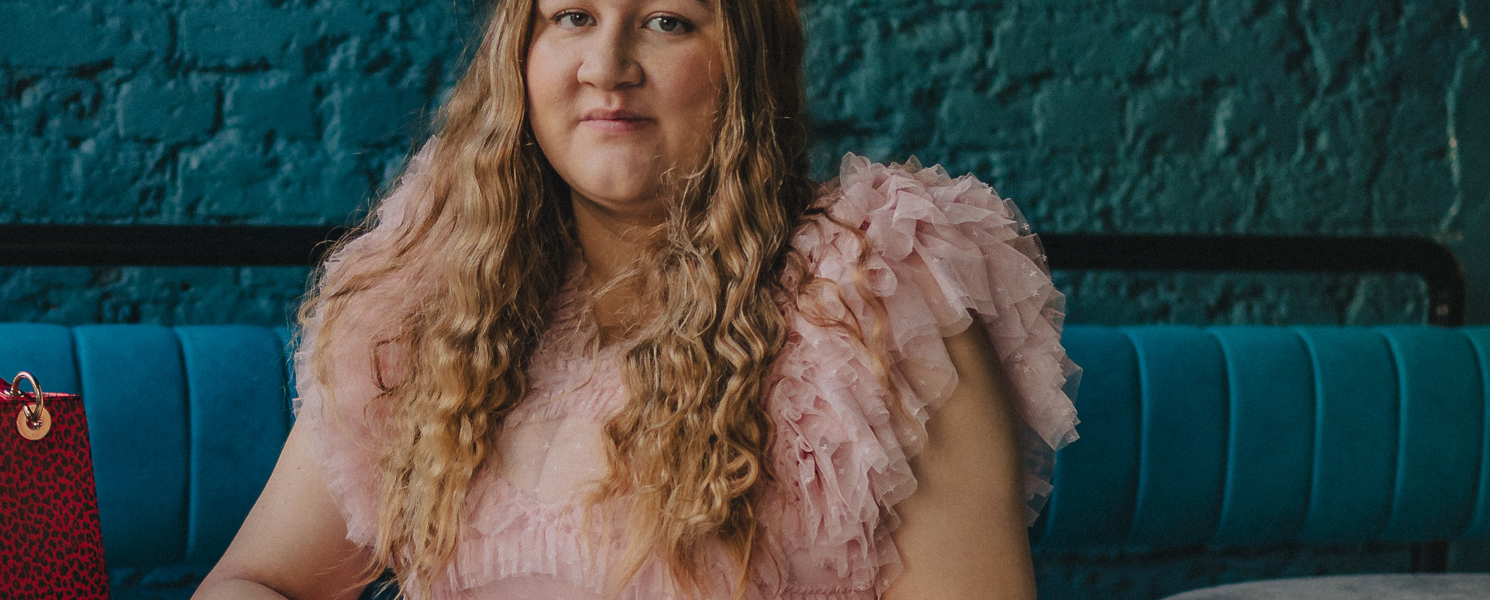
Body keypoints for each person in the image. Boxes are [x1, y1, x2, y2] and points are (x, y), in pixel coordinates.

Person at [194, 0, 1080, 598]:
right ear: (520, 55)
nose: (607, 65)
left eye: (666, 21)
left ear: (746, 62)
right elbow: (255, 580)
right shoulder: (433, 298)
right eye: (573, 16)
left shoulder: (871, 302)